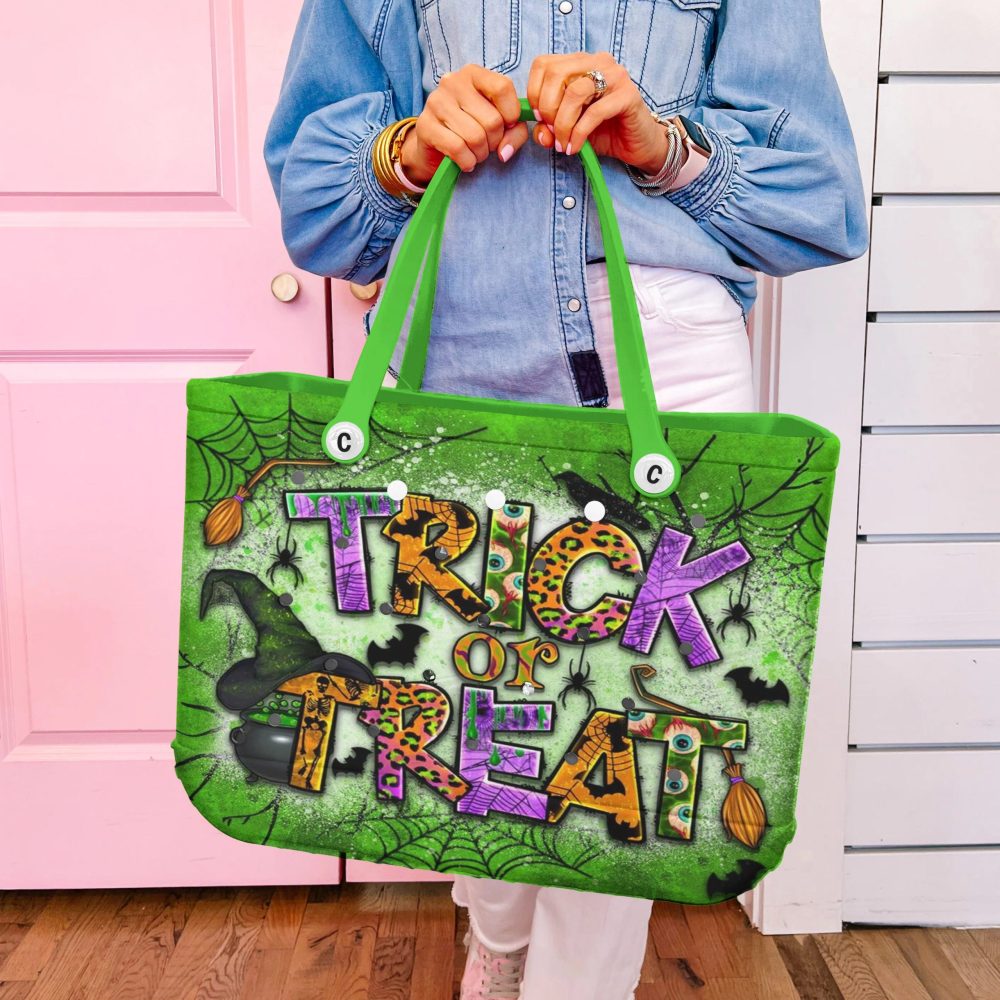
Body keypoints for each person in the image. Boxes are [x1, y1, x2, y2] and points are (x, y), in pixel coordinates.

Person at [265, 2, 868, 997]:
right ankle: (497, 936)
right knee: (462, 706)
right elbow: (315, 209)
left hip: (660, 364)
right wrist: (407, 151)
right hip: (450, 346)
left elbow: (820, 198)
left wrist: (665, 145)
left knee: (624, 746)